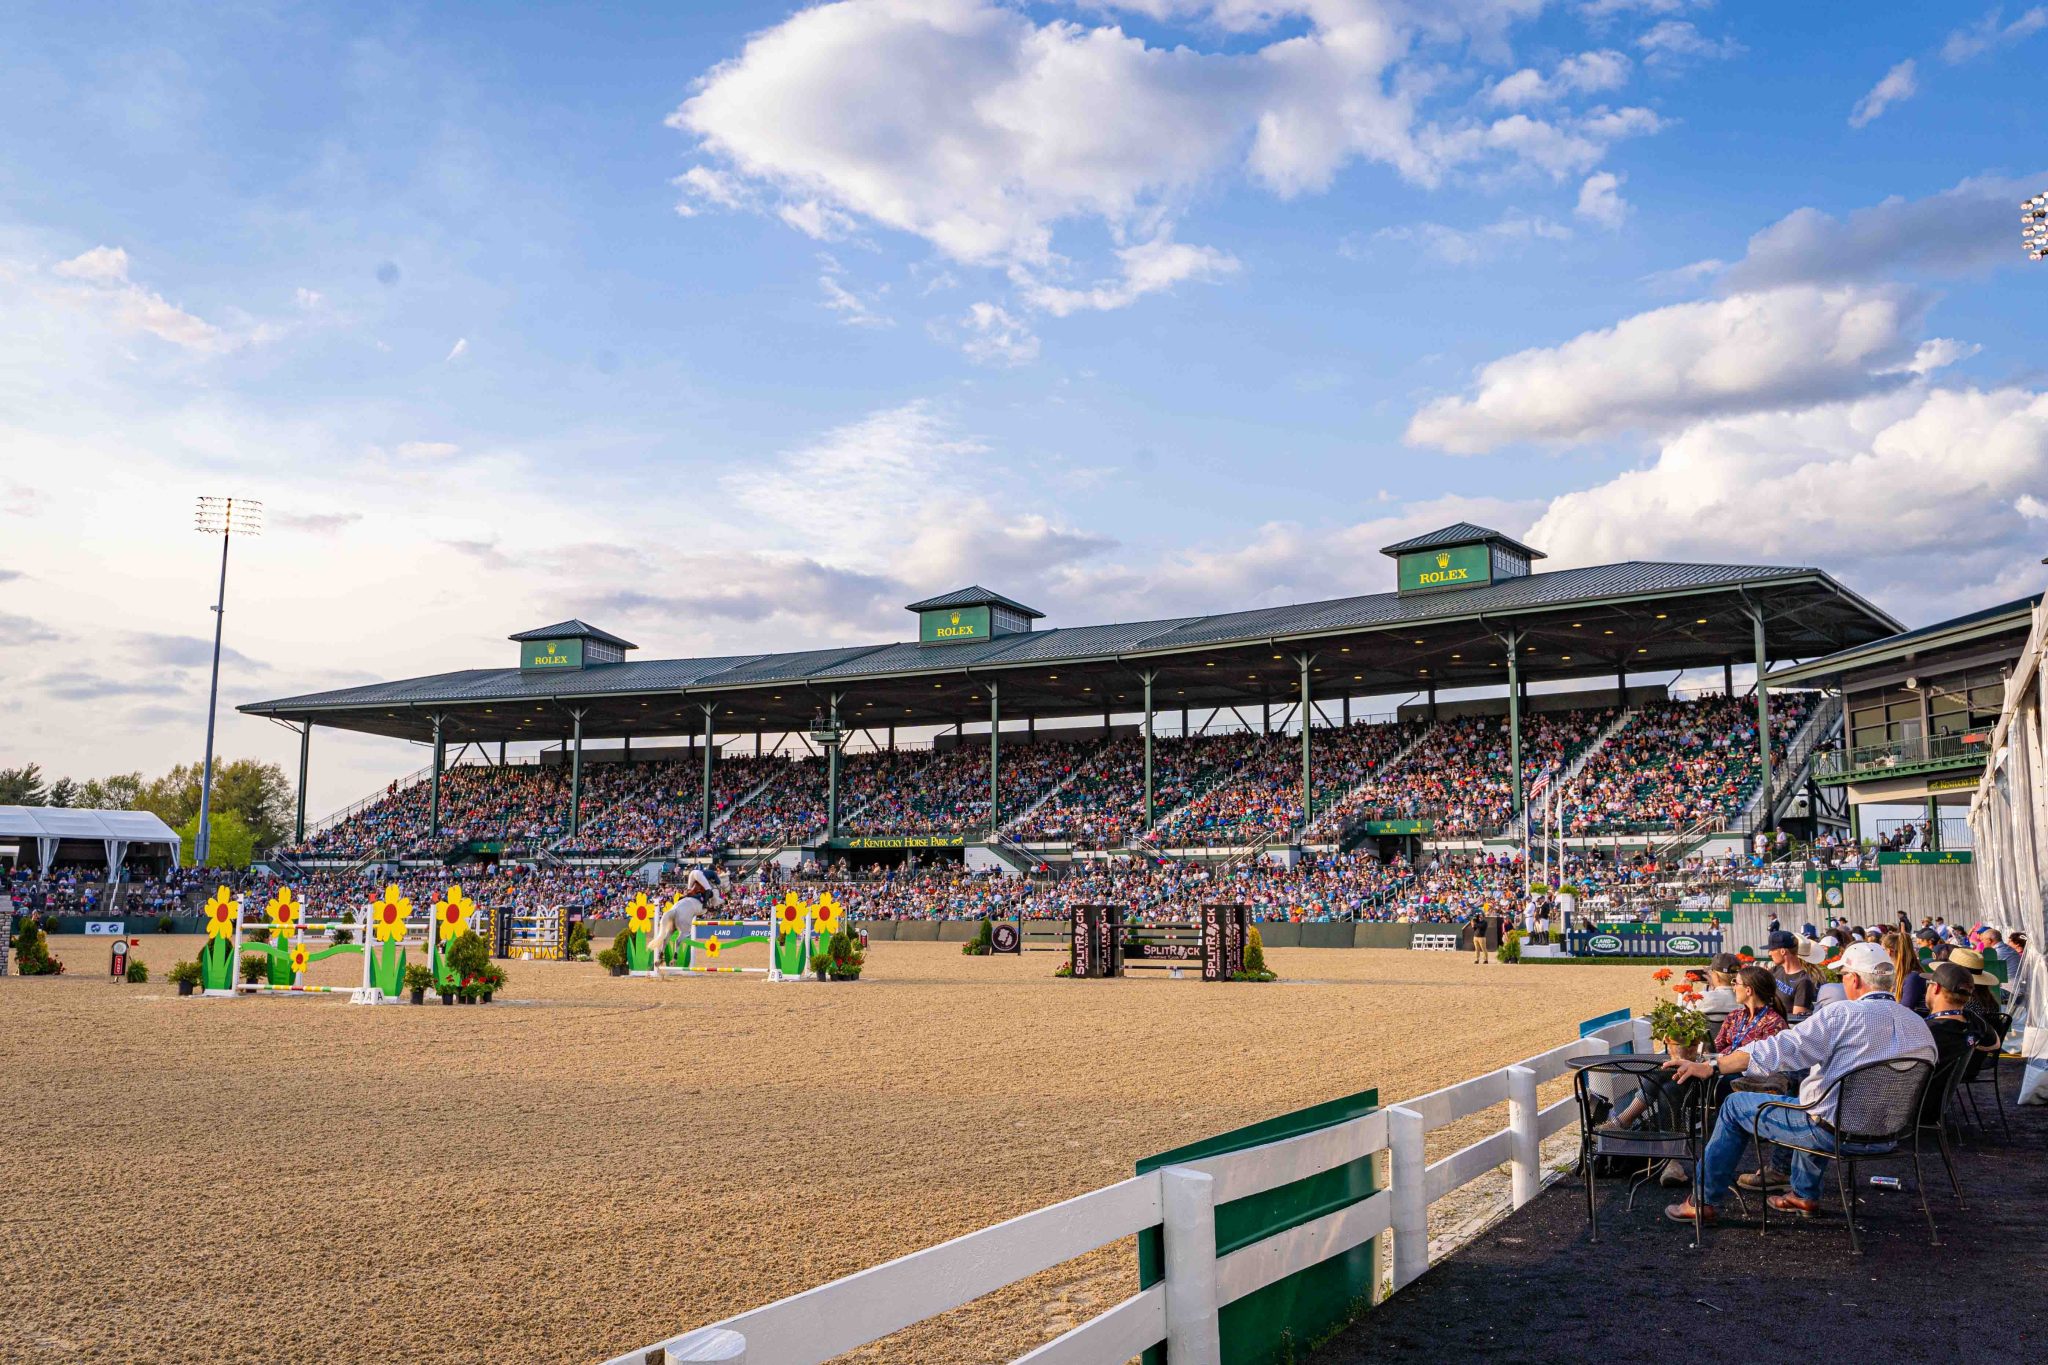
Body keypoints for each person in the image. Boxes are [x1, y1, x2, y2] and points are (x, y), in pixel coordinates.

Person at [1663, 941, 1936, 1225]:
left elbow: (1779, 1049)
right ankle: (1803, 1194)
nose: (1843, 982)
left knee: (1736, 1105)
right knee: (1816, 1099)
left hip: (1835, 1131)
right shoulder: (1919, 1025)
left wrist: (1713, 1066)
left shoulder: (1841, 1015)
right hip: (1890, 1135)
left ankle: (1702, 1201)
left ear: (1854, 979)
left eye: (1843, 976)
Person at [648, 866, 723, 963]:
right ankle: (705, 904)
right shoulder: (713, 873)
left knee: (690, 891)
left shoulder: (704, 874)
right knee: (709, 890)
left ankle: (660, 955)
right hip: (698, 875)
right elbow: (718, 883)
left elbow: (696, 888)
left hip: (692, 873)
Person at [1764, 930, 1818, 1020]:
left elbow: (1796, 1020)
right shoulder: (1776, 970)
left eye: (1772, 949)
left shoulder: (1803, 982)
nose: (1769, 953)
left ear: (1782, 951)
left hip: (1784, 1029)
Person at [1885, 928, 1928, 1013]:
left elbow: (1904, 1010)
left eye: (1883, 950)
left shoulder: (1912, 977)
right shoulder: (1900, 974)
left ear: (1889, 951)